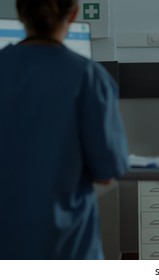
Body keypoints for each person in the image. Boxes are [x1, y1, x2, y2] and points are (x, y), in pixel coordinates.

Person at [0, 0, 129, 259]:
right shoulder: (88, 77)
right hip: (67, 244)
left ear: (19, 12)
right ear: (73, 14)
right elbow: (109, 170)